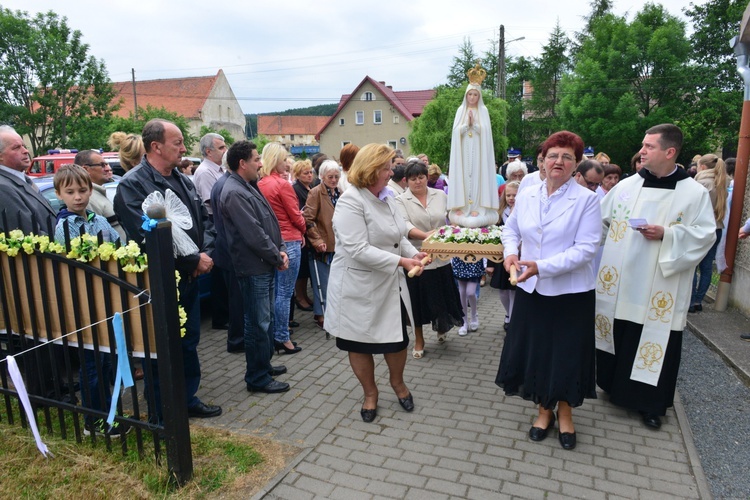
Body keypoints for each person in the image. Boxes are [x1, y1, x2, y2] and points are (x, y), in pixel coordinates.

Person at [596, 124, 716, 430]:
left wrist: (667, 234)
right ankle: (614, 389)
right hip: (622, 283)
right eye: (643, 146)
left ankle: (651, 404)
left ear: (669, 152)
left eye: (649, 146)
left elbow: (704, 236)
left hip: (661, 281)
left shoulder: (694, 193)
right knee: (621, 331)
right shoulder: (626, 186)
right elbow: (600, 222)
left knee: (655, 339)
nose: (642, 151)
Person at [496, 130, 601, 451]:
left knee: (567, 355)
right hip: (531, 292)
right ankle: (544, 411)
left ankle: (566, 412)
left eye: (567, 157)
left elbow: (586, 249)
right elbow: (510, 229)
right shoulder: (527, 194)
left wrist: (541, 266)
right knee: (538, 353)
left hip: (570, 294)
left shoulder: (587, 200)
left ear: (576, 164)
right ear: (542, 160)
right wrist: (510, 253)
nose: (559, 161)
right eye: (553, 155)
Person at [113, 118, 222, 420]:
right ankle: (162, 409)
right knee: (161, 346)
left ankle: (187, 397)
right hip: (161, 282)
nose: (184, 148)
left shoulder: (183, 180)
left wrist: (205, 254)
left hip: (190, 277)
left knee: (189, 342)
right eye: (178, 143)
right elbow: (149, 236)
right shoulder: (133, 186)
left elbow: (205, 221)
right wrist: (193, 260)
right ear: (156, 146)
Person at [325, 143, 427, 423]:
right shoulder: (351, 201)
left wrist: (412, 253)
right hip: (358, 286)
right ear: (370, 170)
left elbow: (399, 235)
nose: (391, 172)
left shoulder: (388, 195)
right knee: (359, 344)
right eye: (385, 168)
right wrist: (402, 263)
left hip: (388, 281)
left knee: (396, 341)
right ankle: (370, 393)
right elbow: (357, 249)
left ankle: (398, 384)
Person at [52, 164, 125, 435]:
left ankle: (111, 412)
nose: (78, 197)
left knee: (107, 360)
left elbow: (118, 246)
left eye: (82, 190)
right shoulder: (63, 226)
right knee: (91, 363)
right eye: (70, 192)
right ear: (60, 194)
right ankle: (93, 419)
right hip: (82, 304)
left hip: (106, 300)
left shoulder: (99, 220)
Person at [220, 140, 291, 393]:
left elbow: (269, 221)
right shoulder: (234, 192)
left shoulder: (247, 186)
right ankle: (257, 377)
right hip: (254, 268)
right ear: (242, 164)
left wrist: (280, 248)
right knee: (257, 323)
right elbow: (253, 234)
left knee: (265, 319)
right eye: (256, 159)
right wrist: (277, 255)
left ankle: (264, 365)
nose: (261, 164)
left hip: (264, 264)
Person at [394, 160, 463, 358]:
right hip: (416, 258)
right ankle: (419, 339)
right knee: (417, 303)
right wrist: (426, 236)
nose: (418, 182)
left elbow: (453, 217)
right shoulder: (400, 200)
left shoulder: (441, 195)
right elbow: (404, 226)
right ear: (407, 181)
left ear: (427, 177)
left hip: (441, 256)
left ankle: (442, 328)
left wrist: (457, 226)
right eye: (413, 179)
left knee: (441, 298)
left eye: (421, 177)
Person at [258, 142, 305, 355]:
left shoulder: (261, 184)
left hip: (272, 241)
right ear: (276, 160)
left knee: (276, 291)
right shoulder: (282, 184)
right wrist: (305, 228)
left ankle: (276, 335)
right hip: (290, 240)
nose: (287, 163)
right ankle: (282, 337)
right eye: (284, 159)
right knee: (285, 293)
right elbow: (296, 215)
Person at [304, 160, 341, 329]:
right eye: (330, 177)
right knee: (323, 283)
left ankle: (333, 313)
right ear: (322, 177)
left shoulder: (338, 192)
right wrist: (317, 240)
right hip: (323, 245)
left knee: (335, 282)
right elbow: (308, 219)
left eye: (336, 176)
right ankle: (320, 314)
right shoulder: (316, 192)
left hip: (337, 244)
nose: (334, 180)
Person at [689, 154, 728, 313]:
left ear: (703, 167)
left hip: (699, 228)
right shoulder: (723, 182)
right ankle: (698, 301)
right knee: (706, 268)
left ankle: (690, 302)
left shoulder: (701, 183)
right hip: (717, 228)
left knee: (691, 266)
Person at [0, 125, 56, 234]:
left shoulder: (22, 179)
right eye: (16, 147)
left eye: (24, 146)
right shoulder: (3, 187)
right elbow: (29, 234)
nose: (25, 151)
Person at [487, 180, 520, 332]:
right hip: (500, 258)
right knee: (502, 291)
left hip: (518, 256)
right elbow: (492, 239)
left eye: (515, 195)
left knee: (513, 289)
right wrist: (490, 264)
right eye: (508, 195)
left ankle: (512, 318)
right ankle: (508, 313)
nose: (511, 198)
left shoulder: (524, 212)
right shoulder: (499, 214)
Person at [74, 149, 126, 242]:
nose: (108, 168)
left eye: (106, 164)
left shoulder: (98, 192)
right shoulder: (88, 198)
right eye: (102, 165)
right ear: (86, 169)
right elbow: (97, 237)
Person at [292, 159, 316, 313]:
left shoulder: (311, 187)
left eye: (310, 172)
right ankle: (299, 297)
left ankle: (304, 295)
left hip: (310, 231)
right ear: (297, 175)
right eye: (305, 173)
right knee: (301, 270)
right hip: (301, 232)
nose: (309, 175)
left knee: (307, 268)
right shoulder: (295, 189)